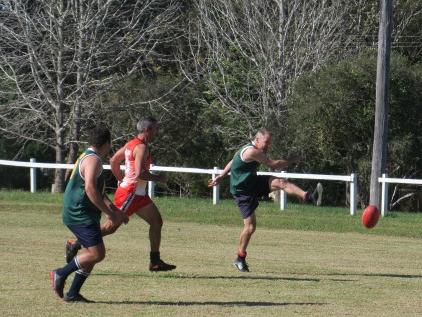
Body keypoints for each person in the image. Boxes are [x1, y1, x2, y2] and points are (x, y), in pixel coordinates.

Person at [65, 117, 176, 272]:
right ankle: (75, 243)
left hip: (138, 194)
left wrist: (121, 180)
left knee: (157, 222)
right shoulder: (142, 148)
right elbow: (139, 174)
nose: (158, 132)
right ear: (147, 130)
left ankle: (155, 261)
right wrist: (159, 178)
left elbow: (114, 161)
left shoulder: (131, 144)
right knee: (111, 227)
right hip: (131, 193)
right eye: (156, 129)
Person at [208, 128, 322, 272]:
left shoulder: (246, 149)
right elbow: (274, 165)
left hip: (252, 182)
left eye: (269, 143)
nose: (268, 146)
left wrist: (221, 176)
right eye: (266, 142)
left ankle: (308, 196)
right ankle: (239, 258)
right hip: (242, 191)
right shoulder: (252, 151)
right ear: (257, 140)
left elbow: (233, 161)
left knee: (281, 182)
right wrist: (293, 159)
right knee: (250, 227)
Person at [50, 125, 127, 302]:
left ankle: (73, 293)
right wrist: (109, 212)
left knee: (91, 252)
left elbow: (98, 191)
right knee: (97, 253)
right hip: (79, 213)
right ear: (107, 143)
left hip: (81, 212)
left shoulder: (88, 156)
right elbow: (91, 188)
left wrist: (115, 210)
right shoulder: (94, 160)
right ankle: (59, 273)